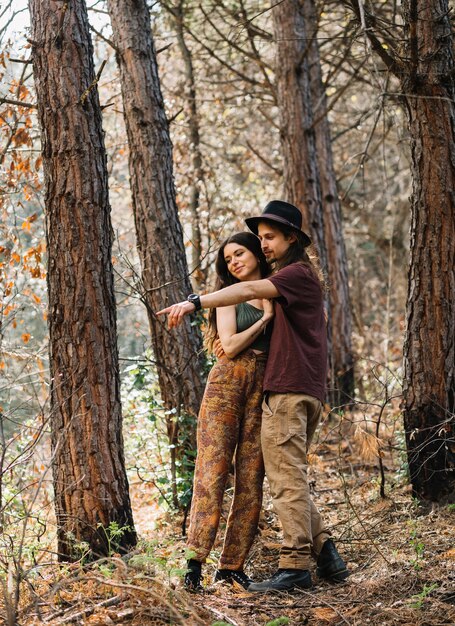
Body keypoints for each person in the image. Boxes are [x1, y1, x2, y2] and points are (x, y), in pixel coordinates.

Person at [158, 200, 349, 593]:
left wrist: (196, 301)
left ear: (289, 239)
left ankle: (251, 566)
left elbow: (253, 292)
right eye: (257, 239)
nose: (257, 248)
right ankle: (319, 552)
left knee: (267, 477)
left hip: (277, 386)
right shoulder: (259, 289)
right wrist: (246, 312)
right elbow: (228, 343)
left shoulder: (288, 280)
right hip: (242, 385)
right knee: (221, 472)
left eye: (264, 240)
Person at [184, 232, 274, 591]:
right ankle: (194, 563)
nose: (235, 262)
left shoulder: (275, 287)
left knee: (252, 476)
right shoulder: (227, 297)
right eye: (228, 259)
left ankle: (232, 566)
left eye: (240, 254)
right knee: (213, 469)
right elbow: (231, 346)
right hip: (226, 384)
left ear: (256, 254)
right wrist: (264, 319)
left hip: (263, 388)